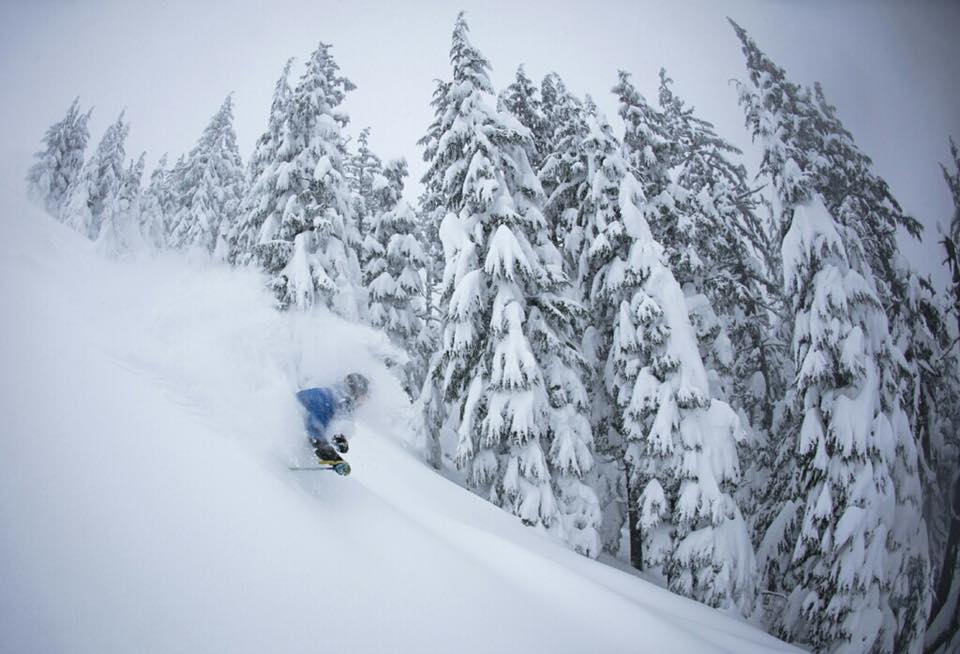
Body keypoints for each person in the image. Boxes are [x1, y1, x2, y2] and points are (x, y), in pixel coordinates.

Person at [295, 372, 369, 476]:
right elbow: (314, 436)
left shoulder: (334, 397)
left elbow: (328, 425)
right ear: (355, 394)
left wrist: (338, 439)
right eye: (361, 398)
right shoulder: (326, 401)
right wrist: (335, 460)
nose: (360, 405)